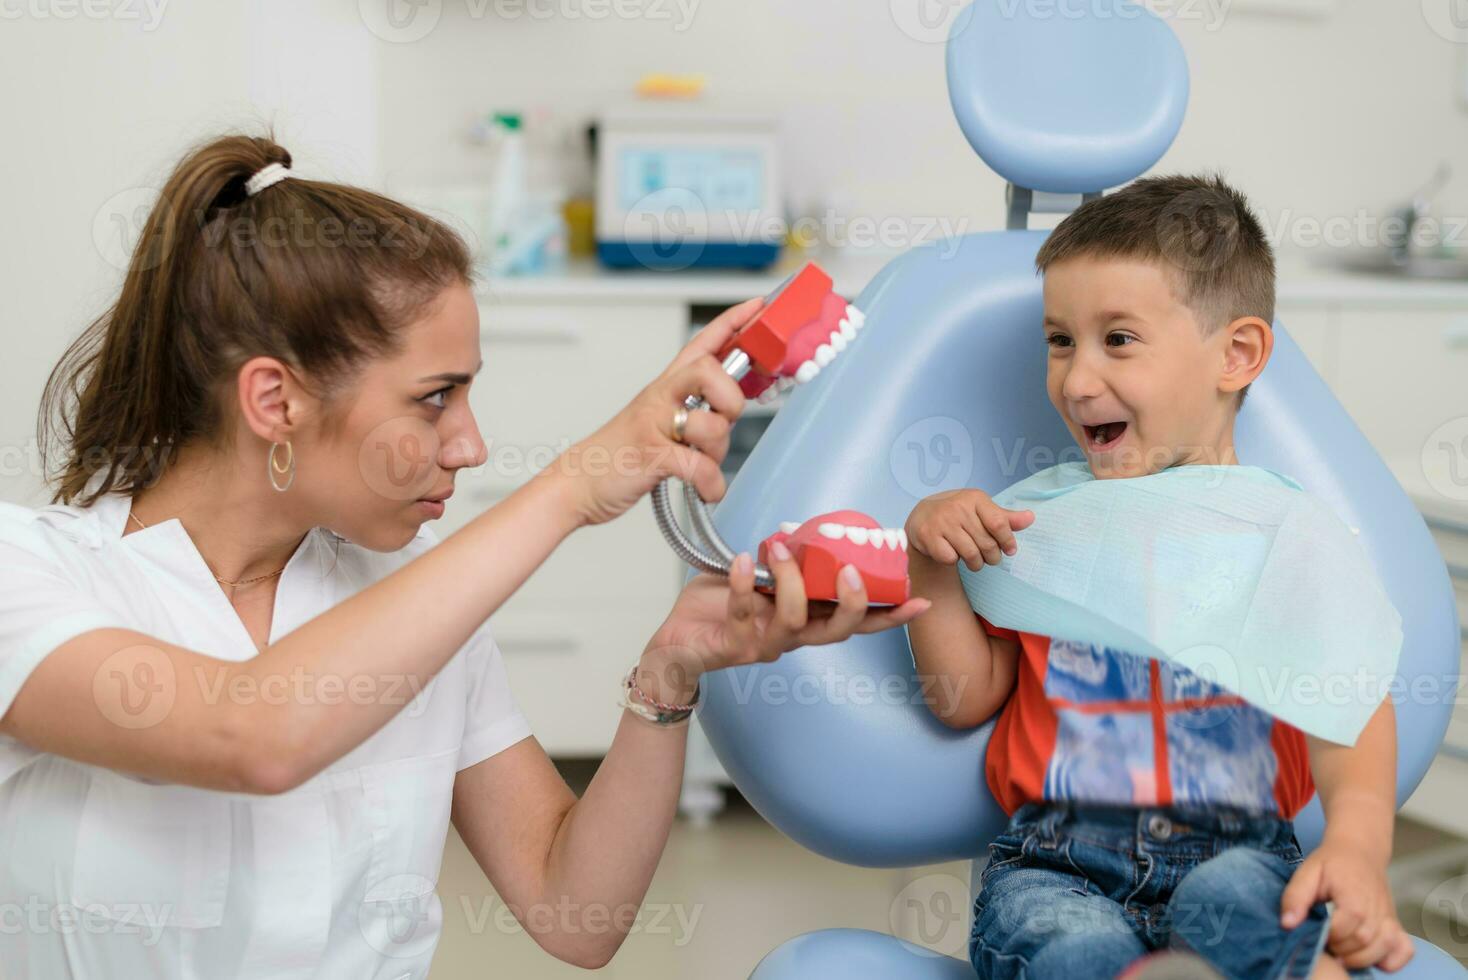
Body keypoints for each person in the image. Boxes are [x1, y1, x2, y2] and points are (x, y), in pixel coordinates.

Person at [0, 133, 930, 978]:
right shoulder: (29, 576)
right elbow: (253, 734)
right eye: (434, 398)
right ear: (274, 402)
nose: (471, 445)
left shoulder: (405, 598)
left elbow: (574, 913)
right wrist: (572, 485)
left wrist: (671, 671)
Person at [902, 174, 1413, 979]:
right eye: (1060, 341)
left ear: (1236, 355)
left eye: (1119, 340)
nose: (1074, 380)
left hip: (1237, 847)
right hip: (1057, 860)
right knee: (1064, 943)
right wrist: (927, 561)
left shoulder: (1283, 534)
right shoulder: (1035, 525)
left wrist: (1354, 848)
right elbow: (963, 699)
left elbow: (1349, 703)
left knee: (1254, 900)